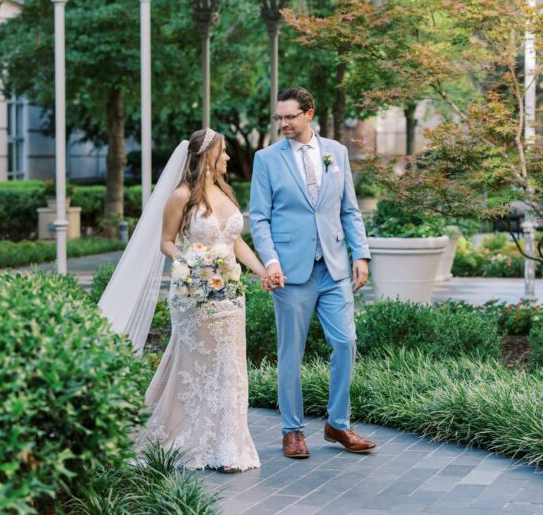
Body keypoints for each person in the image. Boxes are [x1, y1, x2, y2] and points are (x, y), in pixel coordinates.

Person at [99, 128, 266, 473]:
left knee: (229, 368)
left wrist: (262, 271)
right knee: (193, 367)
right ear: (207, 156)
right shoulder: (180, 195)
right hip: (194, 294)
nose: (228, 158)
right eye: (223, 152)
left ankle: (228, 445)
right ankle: (186, 437)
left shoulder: (226, 193)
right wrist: (191, 263)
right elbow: (166, 241)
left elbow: (236, 242)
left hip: (230, 295)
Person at [249, 86, 377, 459]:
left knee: (345, 343)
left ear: (309, 113)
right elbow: (259, 216)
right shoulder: (266, 159)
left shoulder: (335, 152)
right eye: (279, 118)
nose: (283, 124)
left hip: (334, 267)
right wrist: (271, 261)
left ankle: (338, 424)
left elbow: (349, 209)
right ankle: (292, 430)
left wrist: (361, 254)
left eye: (290, 116)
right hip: (291, 272)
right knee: (291, 353)